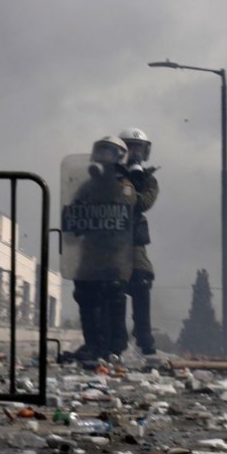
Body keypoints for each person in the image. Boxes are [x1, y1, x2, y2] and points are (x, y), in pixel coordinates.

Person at [67, 136, 137, 362]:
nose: (104, 156)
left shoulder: (124, 184)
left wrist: (122, 181)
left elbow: (130, 204)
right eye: (101, 150)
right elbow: (72, 213)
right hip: (89, 255)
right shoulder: (88, 185)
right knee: (86, 296)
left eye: (109, 152)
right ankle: (93, 344)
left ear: (119, 156)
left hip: (114, 255)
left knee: (113, 297)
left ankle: (114, 346)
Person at [119, 128, 158, 355]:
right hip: (107, 241)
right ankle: (117, 340)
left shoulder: (149, 180)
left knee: (141, 281)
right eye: (129, 147)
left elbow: (142, 203)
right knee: (111, 288)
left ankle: (144, 337)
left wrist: (129, 184)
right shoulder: (107, 174)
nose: (134, 153)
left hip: (133, 241)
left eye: (138, 148)